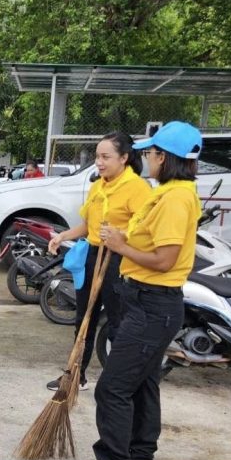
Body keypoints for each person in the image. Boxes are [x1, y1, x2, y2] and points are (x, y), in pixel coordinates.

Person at [75, 121, 203, 460]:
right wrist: (121, 237)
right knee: (144, 383)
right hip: (146, 301)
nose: (146, 158)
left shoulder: (175, 199)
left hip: (153, 303)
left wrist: (120, 246)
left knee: (112, 388)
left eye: (150, 153)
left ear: (164, 157)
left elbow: (165, 260)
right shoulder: (168, 193)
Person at [46, 133, 151, 390]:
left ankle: (118, 382)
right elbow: (87, 225)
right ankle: (75, 376)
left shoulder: (138, 188)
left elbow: (146, 228)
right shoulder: (98, 186)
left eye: (106, 157)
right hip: (93, 256)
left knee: (117, 321)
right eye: (97, 157)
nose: (99, 162)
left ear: (124, 158)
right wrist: (62, 236)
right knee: (84, 318)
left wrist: (120, 235)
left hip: (119, 260)